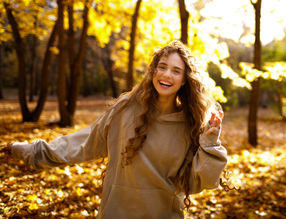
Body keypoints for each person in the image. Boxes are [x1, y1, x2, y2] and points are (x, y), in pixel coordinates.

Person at [1, 41, 228, 218]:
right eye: (162, 67)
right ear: (153, 71)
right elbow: (82, 143)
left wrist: (210, 142)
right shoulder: (125, 110)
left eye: (176, 71)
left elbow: (202, 182)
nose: (167, 75)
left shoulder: (191, 125)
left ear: (184, 80)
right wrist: (29, 150)